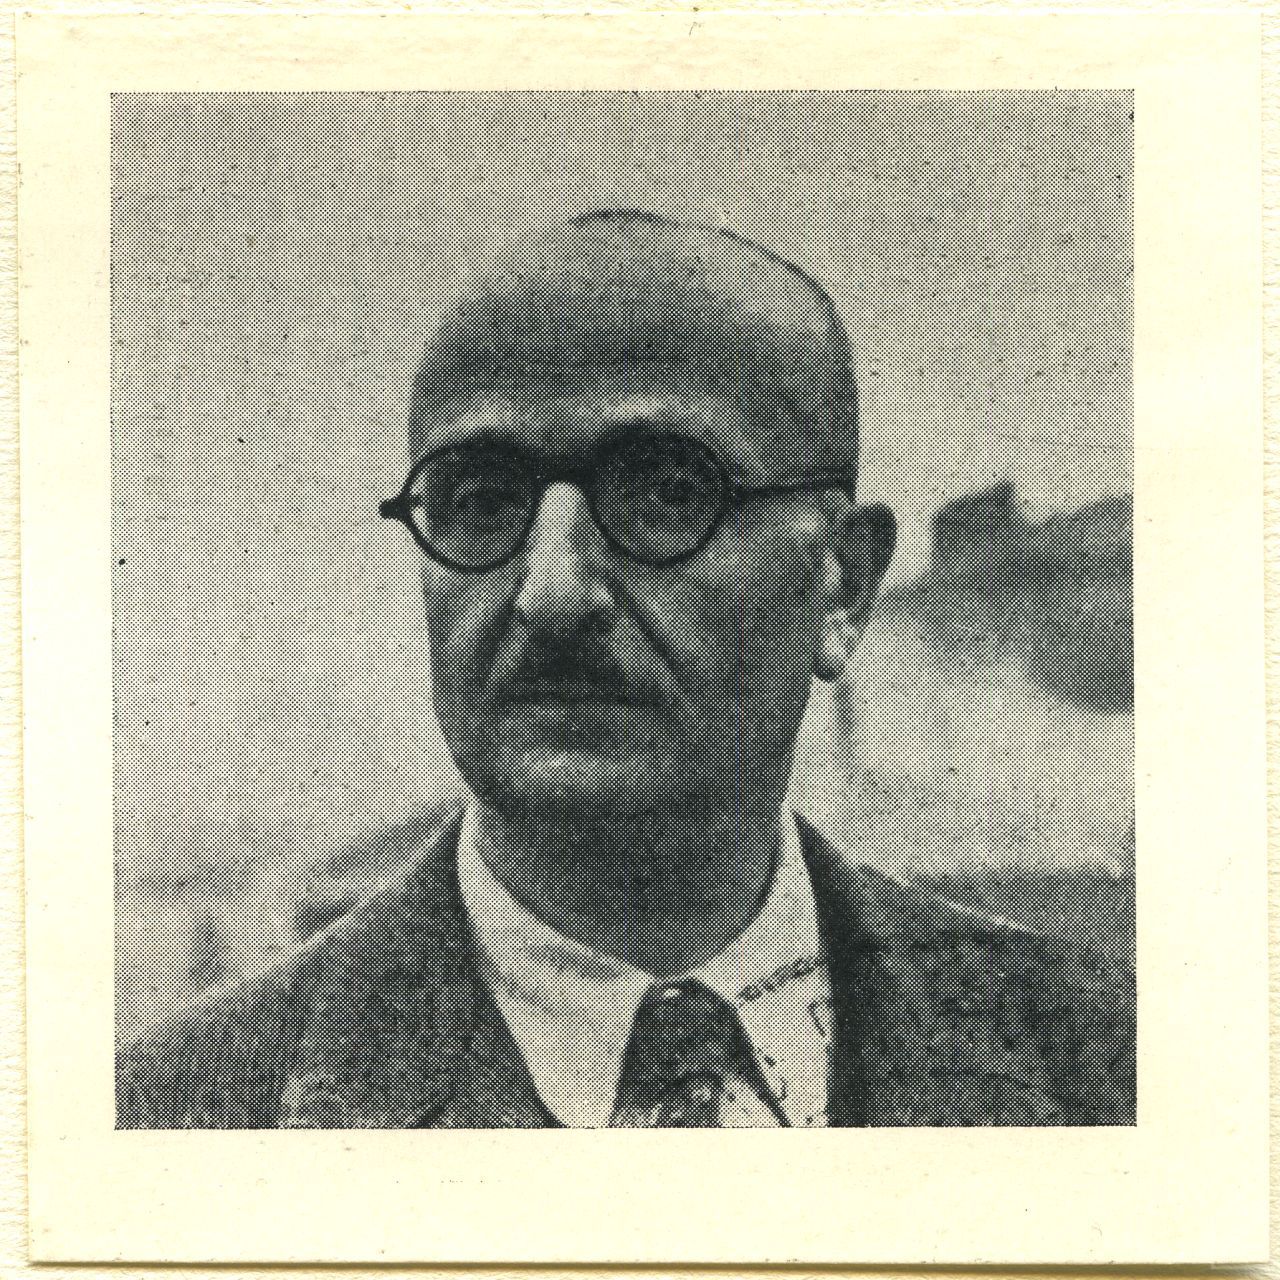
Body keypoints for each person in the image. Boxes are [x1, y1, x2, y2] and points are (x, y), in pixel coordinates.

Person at [117, 210, 1135, 1128]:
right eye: (481, 500)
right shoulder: (183, 1114)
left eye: (665, 492)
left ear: (841, 585)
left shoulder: (1107, 1070)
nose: (552, 592)